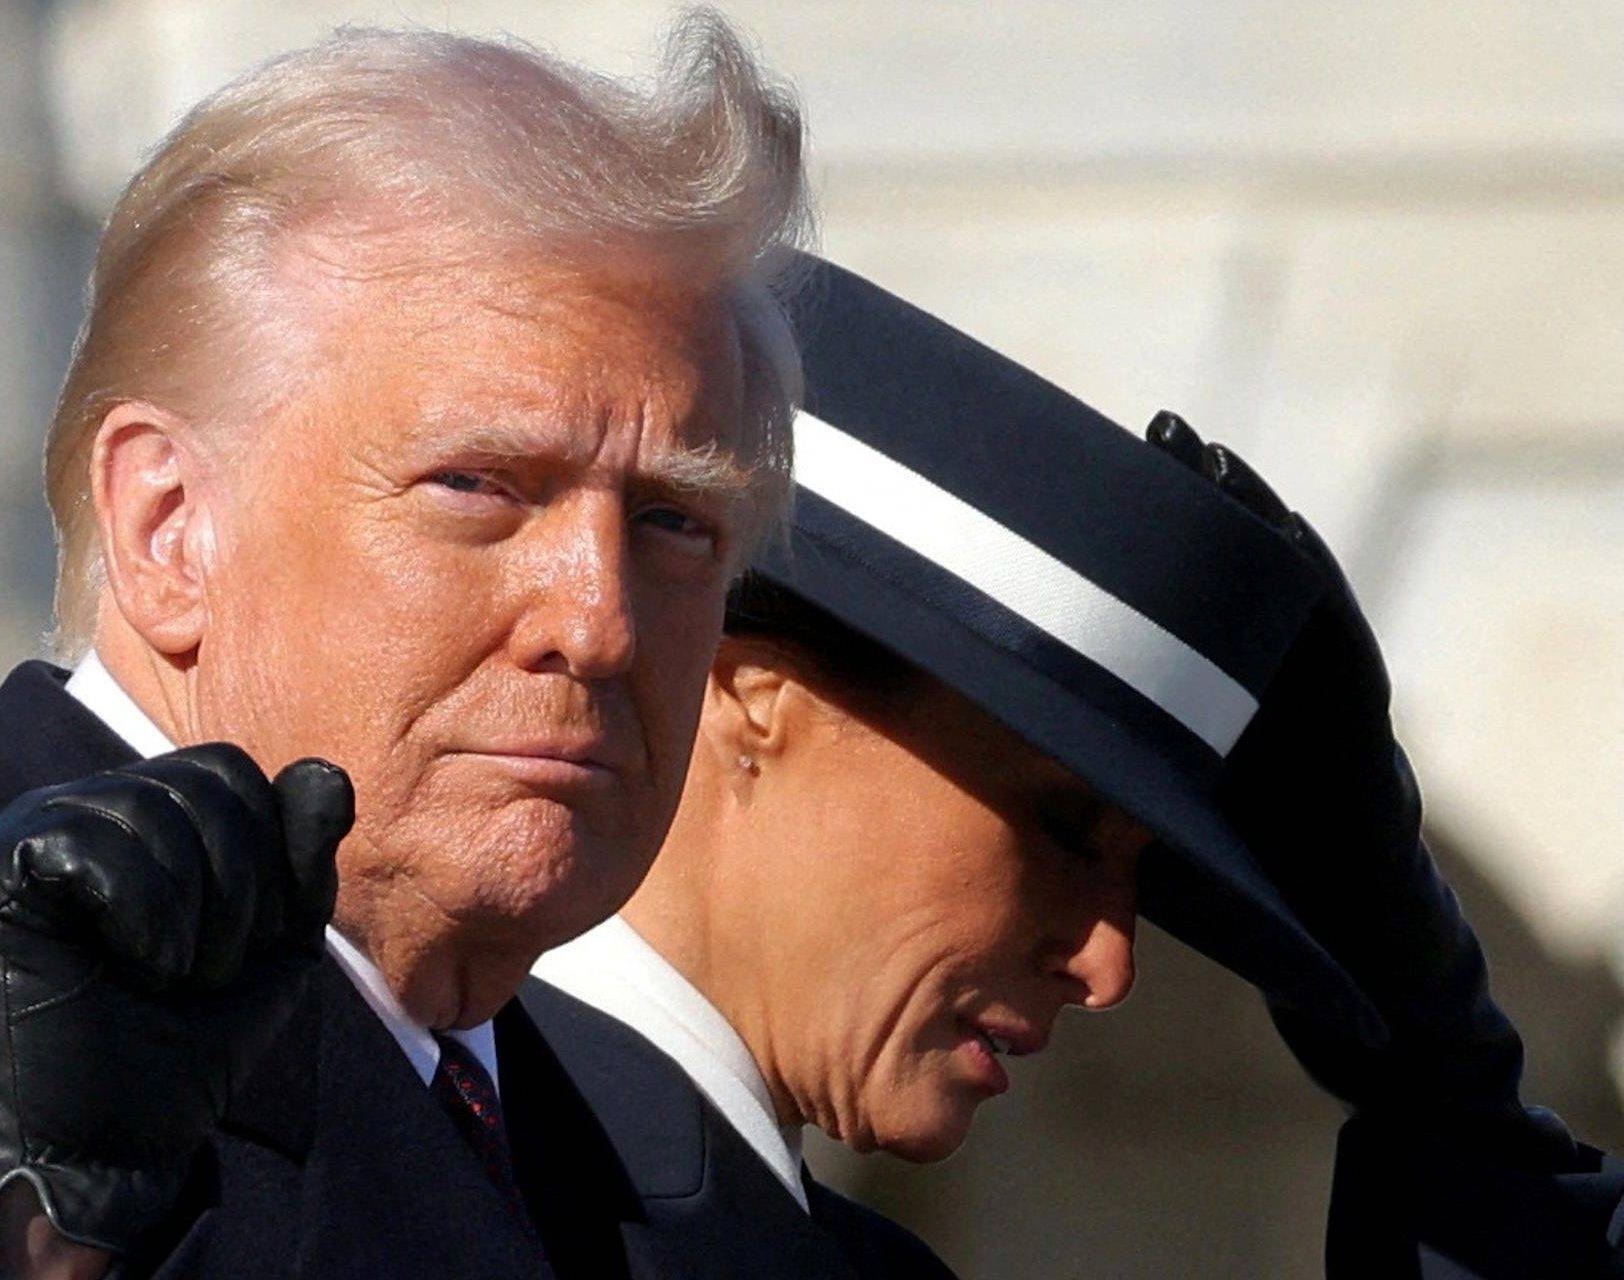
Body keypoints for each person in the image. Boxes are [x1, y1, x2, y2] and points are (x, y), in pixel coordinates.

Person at [0, 15, 811, 1280]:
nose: (597, 621)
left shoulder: (620, 1156)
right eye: (478, 485)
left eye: (673, 520)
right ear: (168, 527)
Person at [530, 256, 1624, 1278]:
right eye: (1062, 824)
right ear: (754, 699)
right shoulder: (456, 1178)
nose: (1108, 967)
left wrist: (1438, 1075)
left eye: (1140, 875)